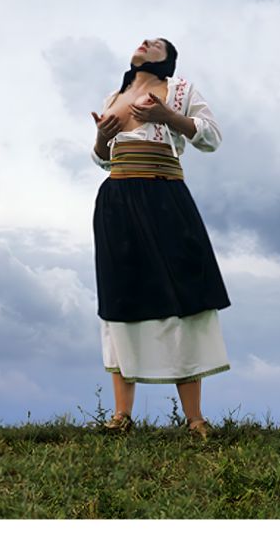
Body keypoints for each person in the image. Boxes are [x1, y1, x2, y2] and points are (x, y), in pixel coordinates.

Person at [90, 37, 231, 441]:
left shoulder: (180, 90)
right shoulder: (114, 95)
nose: (145, 42)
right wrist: (102, 137)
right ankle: (121, 415)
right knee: (121, 295)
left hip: (164, 196)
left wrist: (167, 115)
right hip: (117, 200)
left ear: (166, 60)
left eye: (156, 43)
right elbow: (103, 157)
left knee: (182, 294)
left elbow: (211, 137)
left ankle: (195, 418)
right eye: (143, 40)